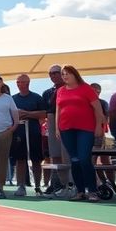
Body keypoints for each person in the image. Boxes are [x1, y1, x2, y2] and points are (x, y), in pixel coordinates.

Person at [55, 65, 105, 202]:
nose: (65, 76)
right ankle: (80, 191)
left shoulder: (86, 88)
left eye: (68, 73)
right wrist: (56, 128)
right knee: (75, 160)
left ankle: (93, 191)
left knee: (84, 158)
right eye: (63, 74)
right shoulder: (60, 91)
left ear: (75, 74)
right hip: (66, 129)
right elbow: (58, 110)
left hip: (85, 129)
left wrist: (99, 126)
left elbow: (97, 108)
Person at [11, 74, 45, 196]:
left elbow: (43, 114)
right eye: (17, 82)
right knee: (20, 159)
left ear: (28, 83)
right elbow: (10, 114)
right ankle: (21, 185)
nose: (19, 84)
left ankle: (37, 186)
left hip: (34, 131)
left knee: (36, 159)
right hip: (19, 132)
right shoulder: (13, 99)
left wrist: (27, 113)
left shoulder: (36, 98)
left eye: (21, 82)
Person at [41, 65, 71, 195]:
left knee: (67, 155)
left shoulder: (70, 88)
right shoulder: (48, 92)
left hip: (67, 122)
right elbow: (45, 112)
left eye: (56, 73)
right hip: (52, 121)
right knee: (55, 154)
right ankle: (58, 183)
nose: (53, 75)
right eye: (50, 73)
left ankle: (70, 184)